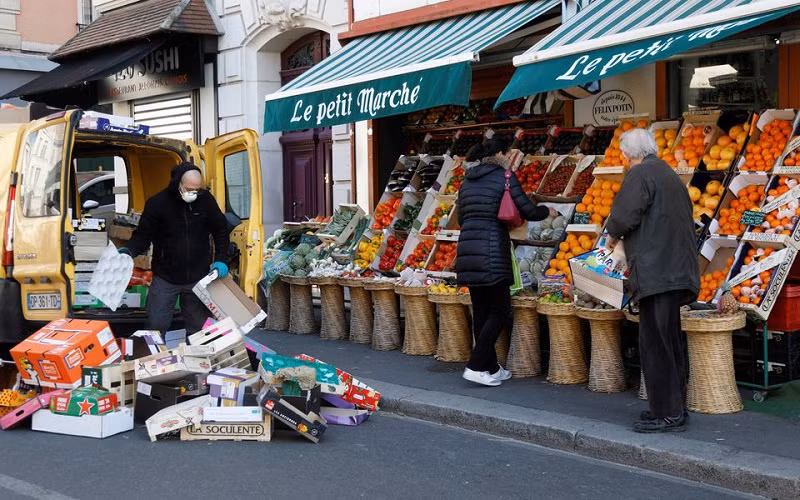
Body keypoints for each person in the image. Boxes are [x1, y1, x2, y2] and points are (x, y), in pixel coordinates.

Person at [605, 129, 700, 433]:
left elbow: (623, 216)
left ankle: (668, 414)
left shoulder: (640, 174)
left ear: (627, 155)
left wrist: (611, 237)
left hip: (657, 269)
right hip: (674, 267)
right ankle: (674, 408)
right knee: (669, 340)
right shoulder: (668, 173)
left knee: (656, 344)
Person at [456, 137, 555, 387]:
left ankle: (490, 368)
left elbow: (461, 219)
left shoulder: (466, 182)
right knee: (500, 311)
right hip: (491, 250)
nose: (510, 157)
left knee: (481, 311)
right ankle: (475, 366)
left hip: (467, 249)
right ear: (500, 154)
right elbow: (528, 211)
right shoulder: (505, 177)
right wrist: (548, 211)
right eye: (509, 153)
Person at [121, 162, 231, 334]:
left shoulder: (205, 200)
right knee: (155, 326)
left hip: (197, 277)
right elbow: (143, 236)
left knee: (199, 329)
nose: (193, 193)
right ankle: (156, 352)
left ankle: (196, 352)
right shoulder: (158, 204)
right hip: (166, 278)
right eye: (189, 189)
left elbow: (221, 229)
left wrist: (221, 259)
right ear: (178, 183)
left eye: (197, 190)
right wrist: (128, 250)